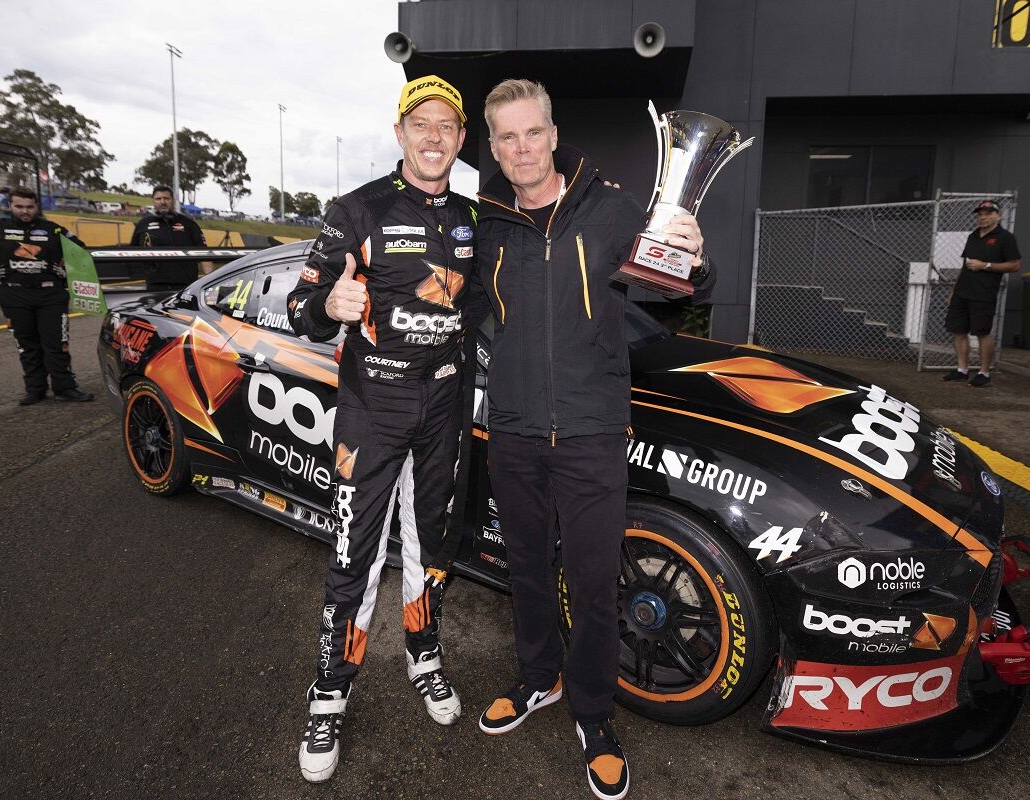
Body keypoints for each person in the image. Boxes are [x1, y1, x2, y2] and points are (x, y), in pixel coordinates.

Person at [469, 79, 713, 800]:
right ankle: (537, 678)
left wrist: (694, 260)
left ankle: (594, 715)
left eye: (532, 132)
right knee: (524, 570)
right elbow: (463, 306)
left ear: (552, 131)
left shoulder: (608, 208)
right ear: (494, 147)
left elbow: (674, 287)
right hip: (512, 426)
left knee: (594, 578)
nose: (522, 148)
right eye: (507, 137)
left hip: (592, 430)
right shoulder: (484, 224)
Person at [285, 74, 476, 784]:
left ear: (460, 139)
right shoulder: (354, 209)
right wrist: (327, 302)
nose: (433, 136)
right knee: (354, 557)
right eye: (420, 123)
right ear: (400, 133)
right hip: (372, 413)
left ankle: (424, 657)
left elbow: (492, 305)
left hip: (446, 415)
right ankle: (330, 690)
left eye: (447, 126)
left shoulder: (474, 218)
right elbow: (300, 308)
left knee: (431, 549)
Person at [0, 187, 94, 404]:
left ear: (36, 206)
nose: (25, 211)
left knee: (57, 344)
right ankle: (35, 389)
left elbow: (80, 249)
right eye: (19, 206)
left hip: (50, 295)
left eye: (30, 207)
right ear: (10, 206)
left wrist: (65, 270)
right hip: (15, 295)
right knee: (27, 345)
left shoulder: (53, 229)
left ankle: (65, 388)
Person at [943, 199, 1021, 388]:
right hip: (963, 292)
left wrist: (985, 265)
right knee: (958, 331)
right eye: (980, 214)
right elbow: (965, 265)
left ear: (998, 215)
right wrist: (954, 290)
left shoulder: (1005, 238)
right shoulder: (973, 236)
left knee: (982, 333)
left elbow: (1015, 265)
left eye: (988, 213)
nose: (983, 217)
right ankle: (962, 370)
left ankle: (984, 372)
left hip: (984, 293)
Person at [129, 185, 209, 290]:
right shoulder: (143, 224)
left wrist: (209, 281)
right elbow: (132, 253)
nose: (162, 202)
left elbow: (205, 254)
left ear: (173, 201)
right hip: (155, 286)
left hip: (186, 286)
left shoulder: (189, 224)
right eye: (158, 198)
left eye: (166, 198)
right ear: (153, 201)